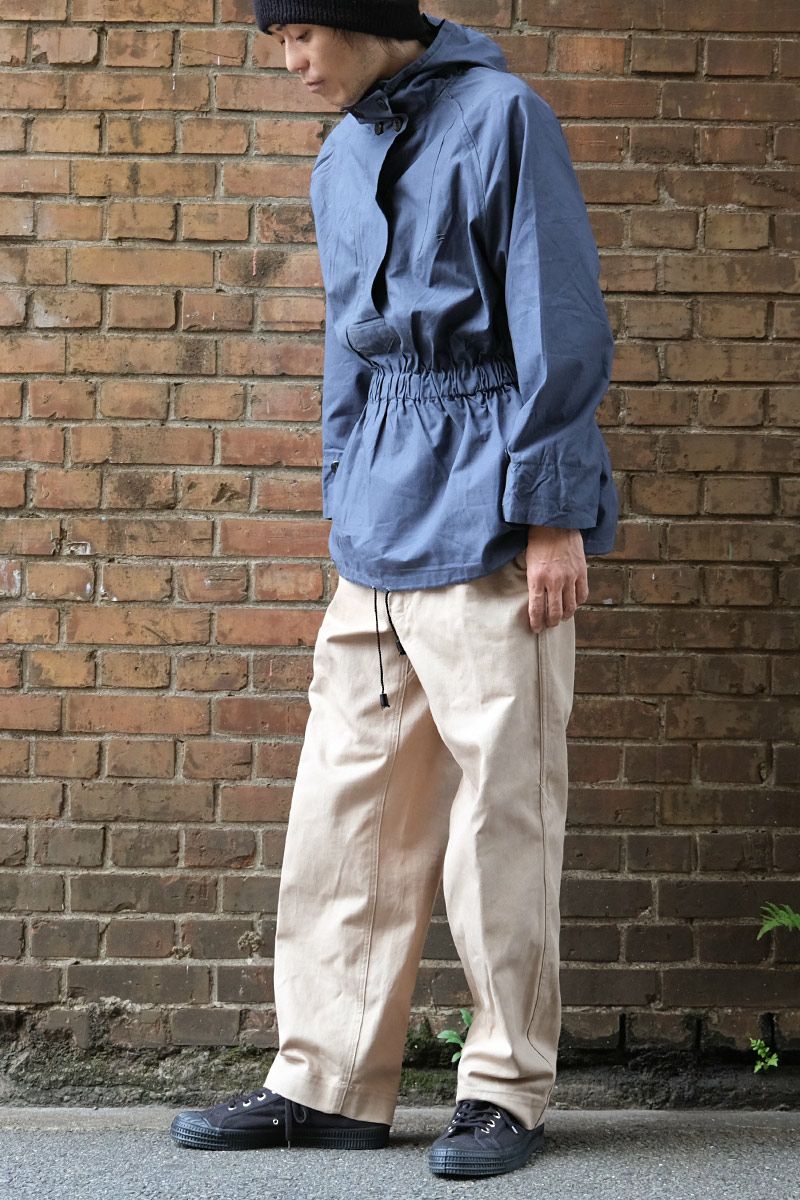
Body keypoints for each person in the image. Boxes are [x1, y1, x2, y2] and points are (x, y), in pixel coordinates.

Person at [170, 1, 618, 1180]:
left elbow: (556, 316)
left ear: (365, 16)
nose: (289, 63)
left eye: (300, 35)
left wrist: (555, 514)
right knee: (346, 809)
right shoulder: (342, 154)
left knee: (500, 817)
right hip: (375, 522)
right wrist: (341, 493)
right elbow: (346, 347)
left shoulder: (502, 118)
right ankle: (326, 1083)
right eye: (275, 42)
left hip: (490, 511)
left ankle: (503, 1088)